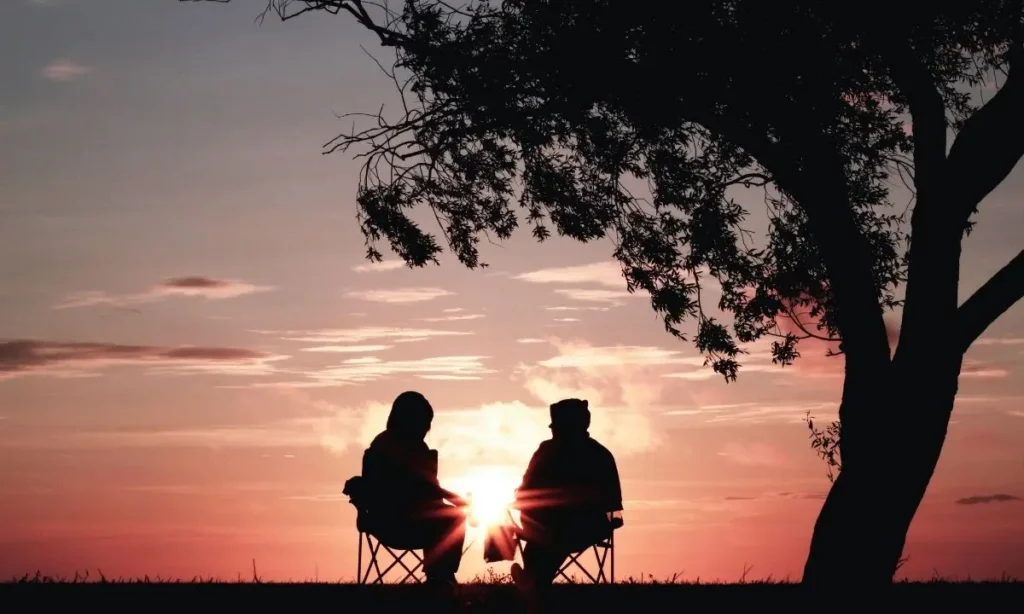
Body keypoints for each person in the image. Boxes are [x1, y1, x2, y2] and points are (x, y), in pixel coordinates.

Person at [353, 390, 469, 587]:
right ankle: (440, 576)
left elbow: (428, 490)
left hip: (382, 522)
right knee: (455, 517)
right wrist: (458, 500)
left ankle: (439, 575)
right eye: (425, 422)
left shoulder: (382, 444)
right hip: (399, 523)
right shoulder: (394, 448)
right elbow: (423, 488)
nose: (427, 428)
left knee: (449, 517)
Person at [510, 398, 623, 592]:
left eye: (555, 427)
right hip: (587, 528)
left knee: (549, 537)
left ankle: (533, 582)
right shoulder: (600, 454)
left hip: (560, 528)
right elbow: (613, 503)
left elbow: (524, 492)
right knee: (550, 536)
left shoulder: (546, 451)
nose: (552, 431)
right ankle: (534, 582)